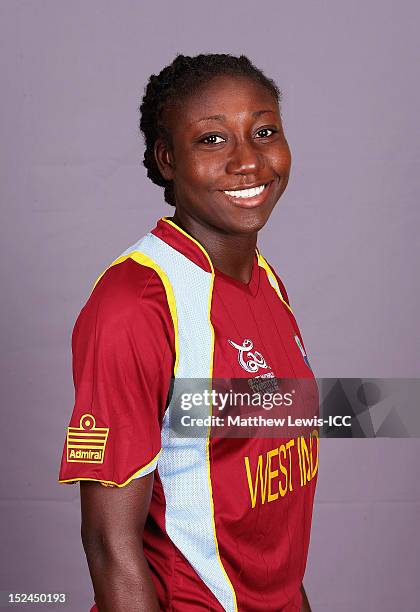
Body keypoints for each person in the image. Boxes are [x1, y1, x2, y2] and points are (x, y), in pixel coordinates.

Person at [58, 53, 318, 612]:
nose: (249, 161)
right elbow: (109, 543)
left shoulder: (265, 280)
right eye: (212, 140)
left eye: (264, 131)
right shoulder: (136, 302)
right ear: (166, 158)